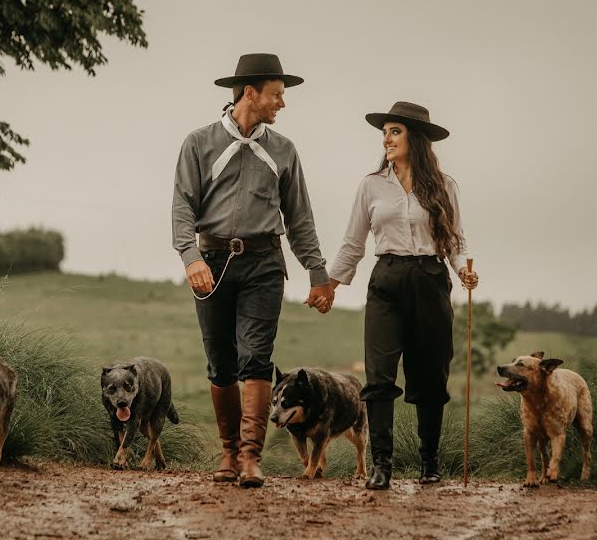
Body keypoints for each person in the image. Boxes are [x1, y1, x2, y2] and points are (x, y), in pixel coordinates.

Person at [172, 53, 335, 488]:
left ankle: (249, 457)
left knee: (257, 358)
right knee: (220, 363)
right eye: (277, 95)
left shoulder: (284, 150)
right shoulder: (198, 143)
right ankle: (226, 452)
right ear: (251, 93)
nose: (282, 103)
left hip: (264, 262)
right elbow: (182, 207)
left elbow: (299, 218)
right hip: (212, 261)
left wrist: (318, 274)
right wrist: (192, 259)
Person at [328, 101, 479, 490]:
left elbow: (456, 240)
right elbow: (352, 242)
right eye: (385, 132)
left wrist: (464, 269)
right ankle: (382, 466)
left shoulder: (445, 186)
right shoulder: (371, 185)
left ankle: (430, 463)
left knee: (431, 375)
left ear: (417, 138)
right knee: (378, 376)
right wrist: (329, 284)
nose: (387, 139)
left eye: (395, 131)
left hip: (431, 279)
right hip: (387, 281)